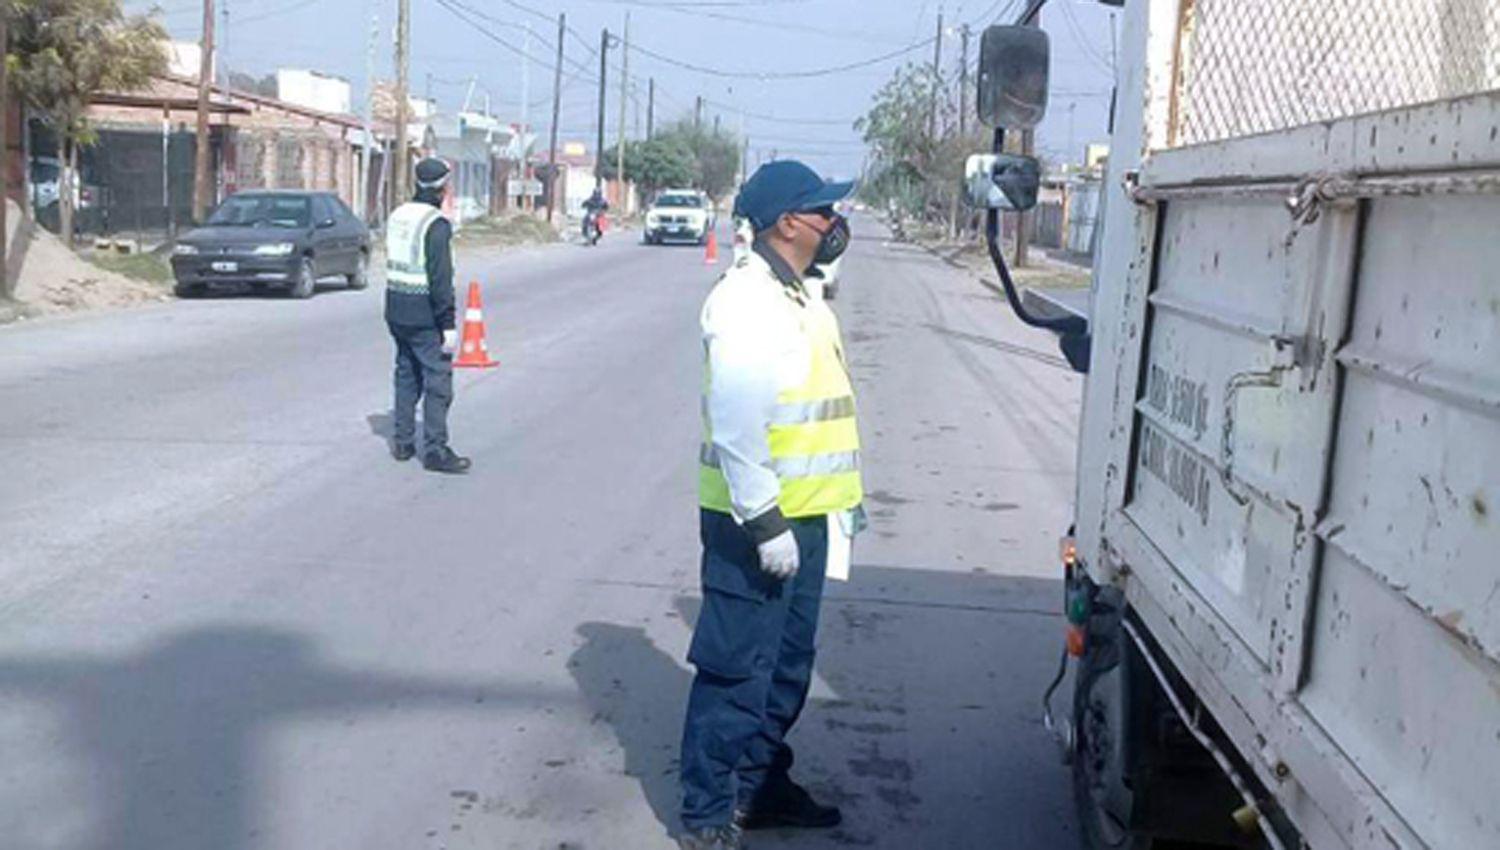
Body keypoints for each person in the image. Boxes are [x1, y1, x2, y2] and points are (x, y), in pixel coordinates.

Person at [678, 160, 863, 850]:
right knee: (735, 671)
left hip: (806, 517)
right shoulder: (745, 301)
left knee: (785, 669)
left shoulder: (795, 293)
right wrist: (765, 522)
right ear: (789, 223)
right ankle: (705, 811)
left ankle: (759, 787)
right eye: (823, 212)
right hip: (756, 525)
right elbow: (736, 422)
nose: (835, 224)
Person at [383, 157, 471, 474]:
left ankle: (403, 442)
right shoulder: (436, 224)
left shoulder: (398, 216)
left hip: (396, 307)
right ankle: (435, 449)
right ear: (442, 188)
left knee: (406, 374)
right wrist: (447, 323)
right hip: (424, 314)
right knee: (437, 381)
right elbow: (440, 280)